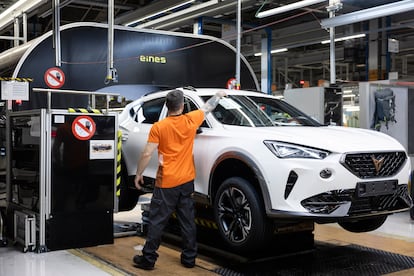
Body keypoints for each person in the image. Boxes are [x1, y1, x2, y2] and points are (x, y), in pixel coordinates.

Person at [132, 89, 226, 270]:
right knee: (188, 220)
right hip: (186, 180)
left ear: (167, 106)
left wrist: (138, 174)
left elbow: (146, 153)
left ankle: (148, 259)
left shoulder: (159, 127)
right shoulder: (191, 120)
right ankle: (189, 259)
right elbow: (208, 108)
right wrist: (218, 96)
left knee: (157, 221)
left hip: (167, 182)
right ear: (182, 106)